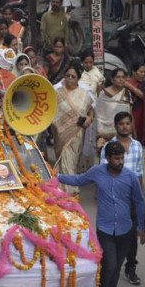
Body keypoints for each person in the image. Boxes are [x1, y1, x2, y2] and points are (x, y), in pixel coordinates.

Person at [57, 141, 145, 287]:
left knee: (116, 269)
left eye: (122, 158)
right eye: (116, 158)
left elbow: (139, 201)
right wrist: (57, 176)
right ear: (107, 159)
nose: (120, 162)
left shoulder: (130, 177)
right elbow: (78, 180)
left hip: (125, 231)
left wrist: (142, 227)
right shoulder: (97, 172)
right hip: (105, 230)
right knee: (109, 266)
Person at [99, 111, 145, 286]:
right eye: (121, 124)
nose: (125, 126)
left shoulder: (138, 146)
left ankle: (130, 268)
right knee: (113, 234)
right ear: (115, 126)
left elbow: (139, 172)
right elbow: (103, 175)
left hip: (132, 199)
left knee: (132, 235)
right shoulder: (107, 148)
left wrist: (139, 198)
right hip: (114, 200)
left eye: (128, 123)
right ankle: (111, 267)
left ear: (131, 125)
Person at [51, 63, 93, 191]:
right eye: (67, 75)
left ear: (78, 79)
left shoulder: (84, 94)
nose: (69, 78)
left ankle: (69, 191)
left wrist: (89, 119)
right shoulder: (57, 93)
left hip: (77, 134)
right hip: (60, 134)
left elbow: (91, 111)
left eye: (73, 76)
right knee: (63, 160)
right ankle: (62, 190)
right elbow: (51, 113)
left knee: (71, 162)